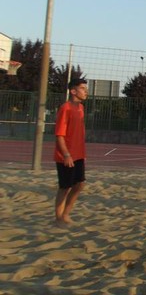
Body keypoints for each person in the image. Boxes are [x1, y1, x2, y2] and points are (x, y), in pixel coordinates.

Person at [53, 77, 89, 225]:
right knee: (65, 187)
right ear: (73, 91)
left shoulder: (81, 108)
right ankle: (58, 218)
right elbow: (59, 135)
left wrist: (82, 154)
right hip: (66, 155)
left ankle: (66, 214)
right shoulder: (65, 108)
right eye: (83, 88)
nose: (86, 91)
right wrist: (66, 154)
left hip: (78, 154)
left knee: (80, 184)